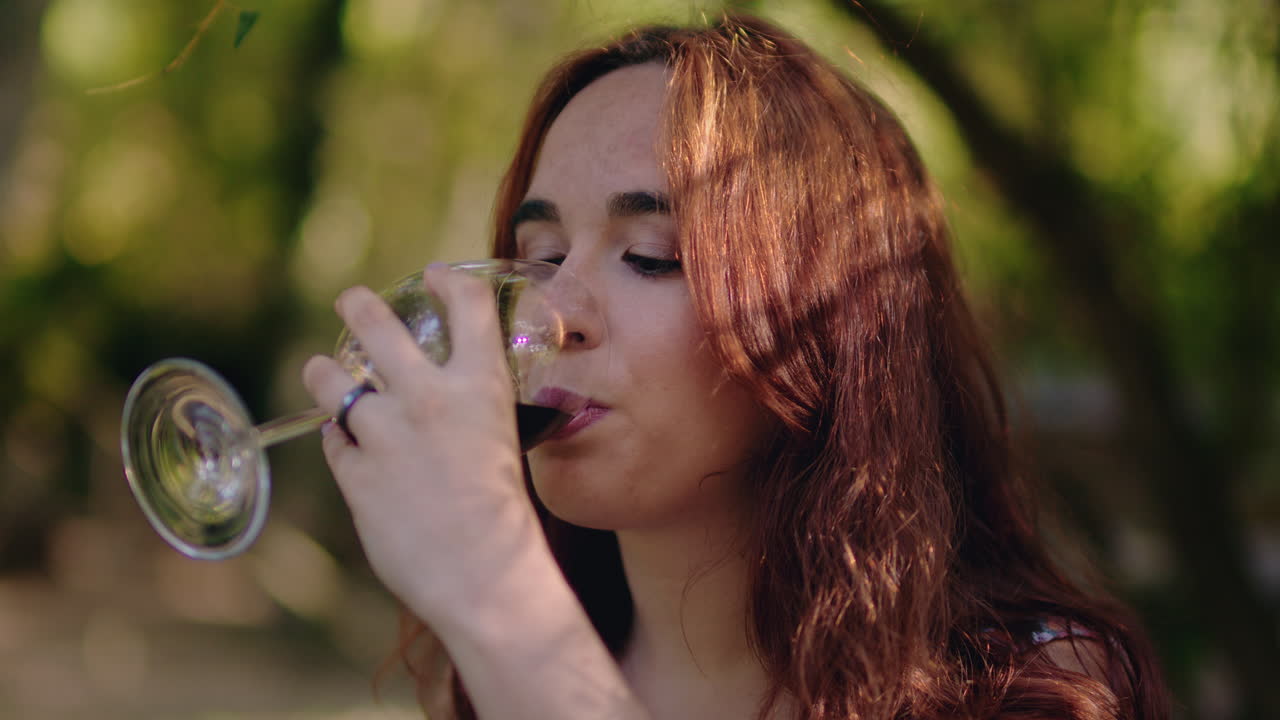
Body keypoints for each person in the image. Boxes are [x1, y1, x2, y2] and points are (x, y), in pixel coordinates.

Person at [301, 13, 1169, 720]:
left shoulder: (1024, 690)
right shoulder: (499, 679)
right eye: (542, 253)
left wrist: (502, 602)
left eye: (651, 255)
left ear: (833, 321)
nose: (553, 311)